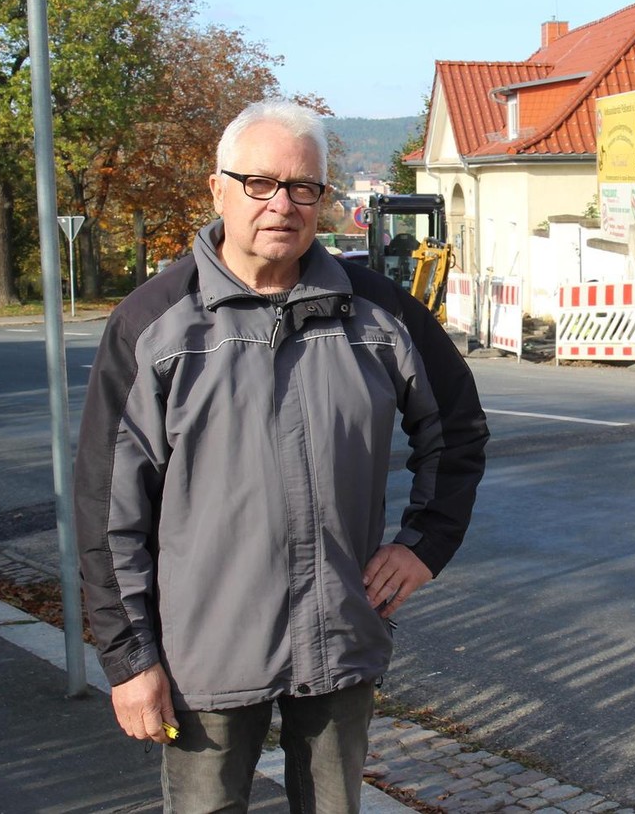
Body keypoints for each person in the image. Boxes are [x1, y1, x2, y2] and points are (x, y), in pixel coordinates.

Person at [74, 99, 489, 813]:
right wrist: (129, 658)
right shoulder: (155, 324)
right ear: (218, 189)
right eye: (260, 183)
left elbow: (457, 430)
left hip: (337, 638)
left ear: (323, 199)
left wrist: (425, 543)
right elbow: (107, 507)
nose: (282, 205)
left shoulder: (380, 313)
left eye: (304, 188)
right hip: (202, 652)